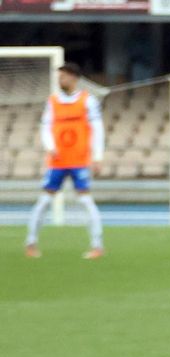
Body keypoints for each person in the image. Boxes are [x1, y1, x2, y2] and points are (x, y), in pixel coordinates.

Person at [24, 63, 104, 260]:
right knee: (44, 201)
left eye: (64, 77)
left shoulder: (88, 101)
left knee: (85, 200)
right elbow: (45, 127)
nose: (61, 80)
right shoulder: (52, 101)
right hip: (57, 161)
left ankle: (97, 245)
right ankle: (31, 242)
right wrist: (50, 146)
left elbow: (98, 129)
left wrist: (97, 156)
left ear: (74, 78)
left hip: (79, 159)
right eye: (59, 77)